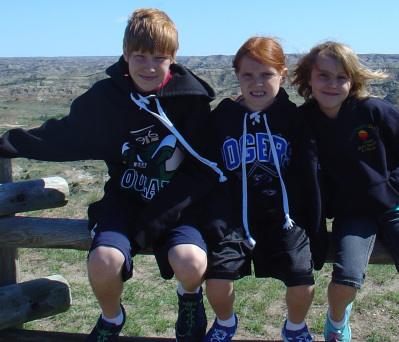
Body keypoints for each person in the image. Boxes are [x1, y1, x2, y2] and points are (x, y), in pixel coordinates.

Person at [0, 8, 225, 342]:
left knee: (191, 262)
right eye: (140, 56)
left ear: (173, 58)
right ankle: (111, 316)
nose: (149, 66)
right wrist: (8, 143)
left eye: (159, 58)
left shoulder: (190, 102)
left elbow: (201, 169)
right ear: (125, 54)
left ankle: (189, 297)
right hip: (126, 199)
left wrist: (156, 221)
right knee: (104, 261)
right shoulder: (108, 100)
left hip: (175, 205)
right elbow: (64, 136)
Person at [291, 40, 399, 342]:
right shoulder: (305, 121)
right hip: (353, 214)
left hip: (398, 206)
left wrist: (390, 192)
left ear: (354, 80)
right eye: (323, 75)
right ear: (309, 78)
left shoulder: (375, 111)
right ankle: (337, 322)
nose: (332, 84)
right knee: (346, 279)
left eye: (342, 77)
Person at [200, 37, 328, 342]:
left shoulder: (295, 118)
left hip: (284, 216)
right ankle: (225, 322)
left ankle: (295, 327)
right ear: (237, 76)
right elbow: (206, 165)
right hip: (235, 217)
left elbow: (309, 170)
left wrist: (312, 218)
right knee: (217, 282)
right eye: (248, 75)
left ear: (282, 75)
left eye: (266, 75)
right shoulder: (223, 118)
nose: (257, 83)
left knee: (302, 280)